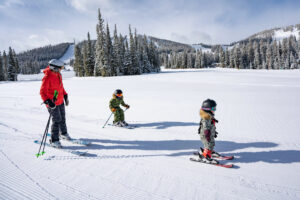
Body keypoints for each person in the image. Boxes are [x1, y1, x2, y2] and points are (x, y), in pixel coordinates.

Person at [40, 59, 70, 148]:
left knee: (62, 118)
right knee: (57, 120)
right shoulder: (47, 77)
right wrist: (48, 101)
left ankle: (63, 133)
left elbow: (61, 87)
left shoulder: (58, 75)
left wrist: (65, 95)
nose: (61, 70)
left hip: (60, 100)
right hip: (52, 103)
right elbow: (42, 92)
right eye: (60, 68)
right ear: (55, 68)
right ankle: (54, 140)